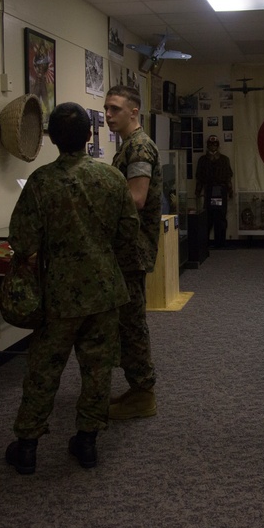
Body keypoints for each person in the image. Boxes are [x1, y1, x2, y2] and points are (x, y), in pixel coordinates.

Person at [4, 103, 139, 475]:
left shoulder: (41, 182)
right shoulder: (112, 179)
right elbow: (129, 234)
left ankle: (28, 446)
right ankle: (87, 443)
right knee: (97, 371)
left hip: (58, 297)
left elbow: (22, 239)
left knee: (44, 370)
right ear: (89, 136)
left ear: (51, 138)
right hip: (105, 292)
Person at [103, 85, 163, 420]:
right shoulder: (129, 145)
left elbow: (136, 198)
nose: (109, 115)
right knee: (127, 322)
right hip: (125, 248)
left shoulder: (139, 147)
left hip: (132, 249)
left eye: (115, 109)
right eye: (107, 109)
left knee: (132, 323)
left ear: (134, 112)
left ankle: (143, 393)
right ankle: (138, 389)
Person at [195, 134, 234, 248]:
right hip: (209, 190)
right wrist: (197, 192)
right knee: (207, 217)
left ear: (218, 145)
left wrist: (230, 190)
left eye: (215, 144)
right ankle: (205, 243)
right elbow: (200, 178)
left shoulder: (224, 159)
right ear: (208, 145)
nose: (213, 146)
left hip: (220, 191)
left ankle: (220, 242)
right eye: (211, 144)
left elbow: (228, 177)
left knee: (221, 217)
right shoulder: (202, 160)